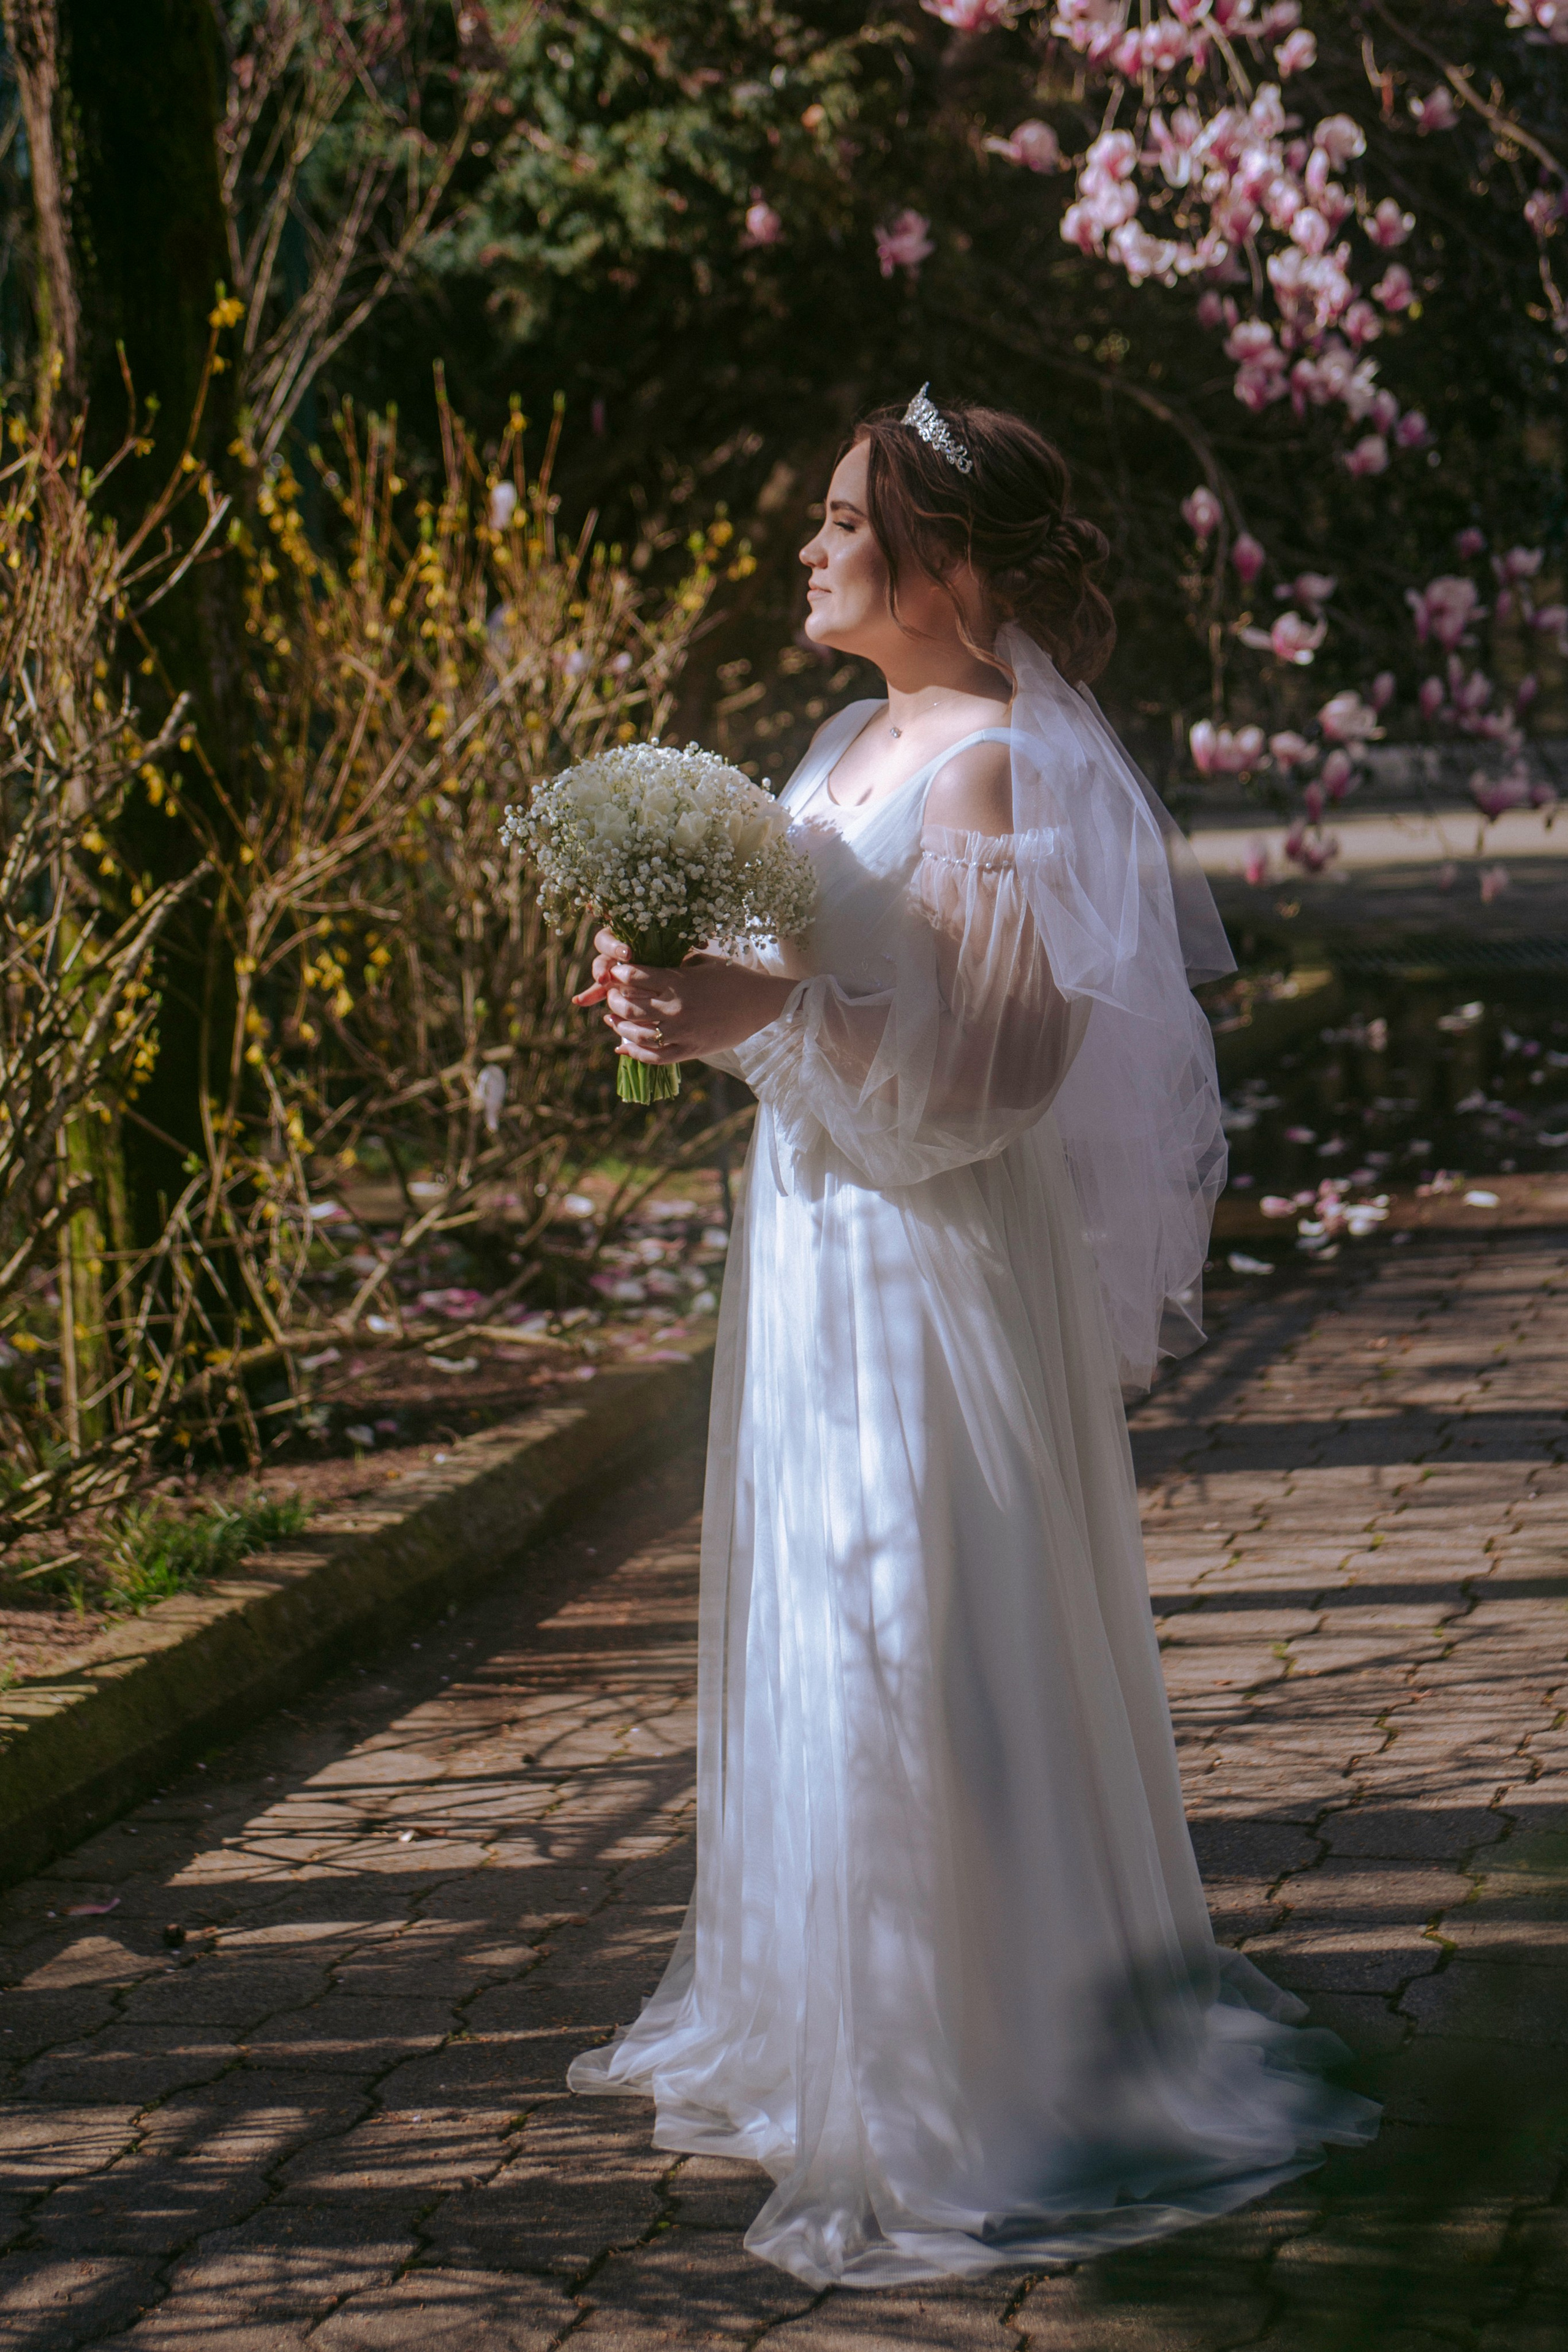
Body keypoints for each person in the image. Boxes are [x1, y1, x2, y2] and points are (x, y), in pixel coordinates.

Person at [567, 388, 1378, 2288]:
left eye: (845, 521)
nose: (809, 545)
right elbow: (822, 997)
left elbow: (994, 1086)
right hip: (823, 1241)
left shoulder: (1007, 771)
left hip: (931, 1260)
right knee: (831, 1611)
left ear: (944, 566)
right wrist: (680, 1003)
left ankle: (974, 2066)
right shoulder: (852, 737)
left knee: (925, 1626)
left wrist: (752, 1013)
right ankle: (837, 2016)